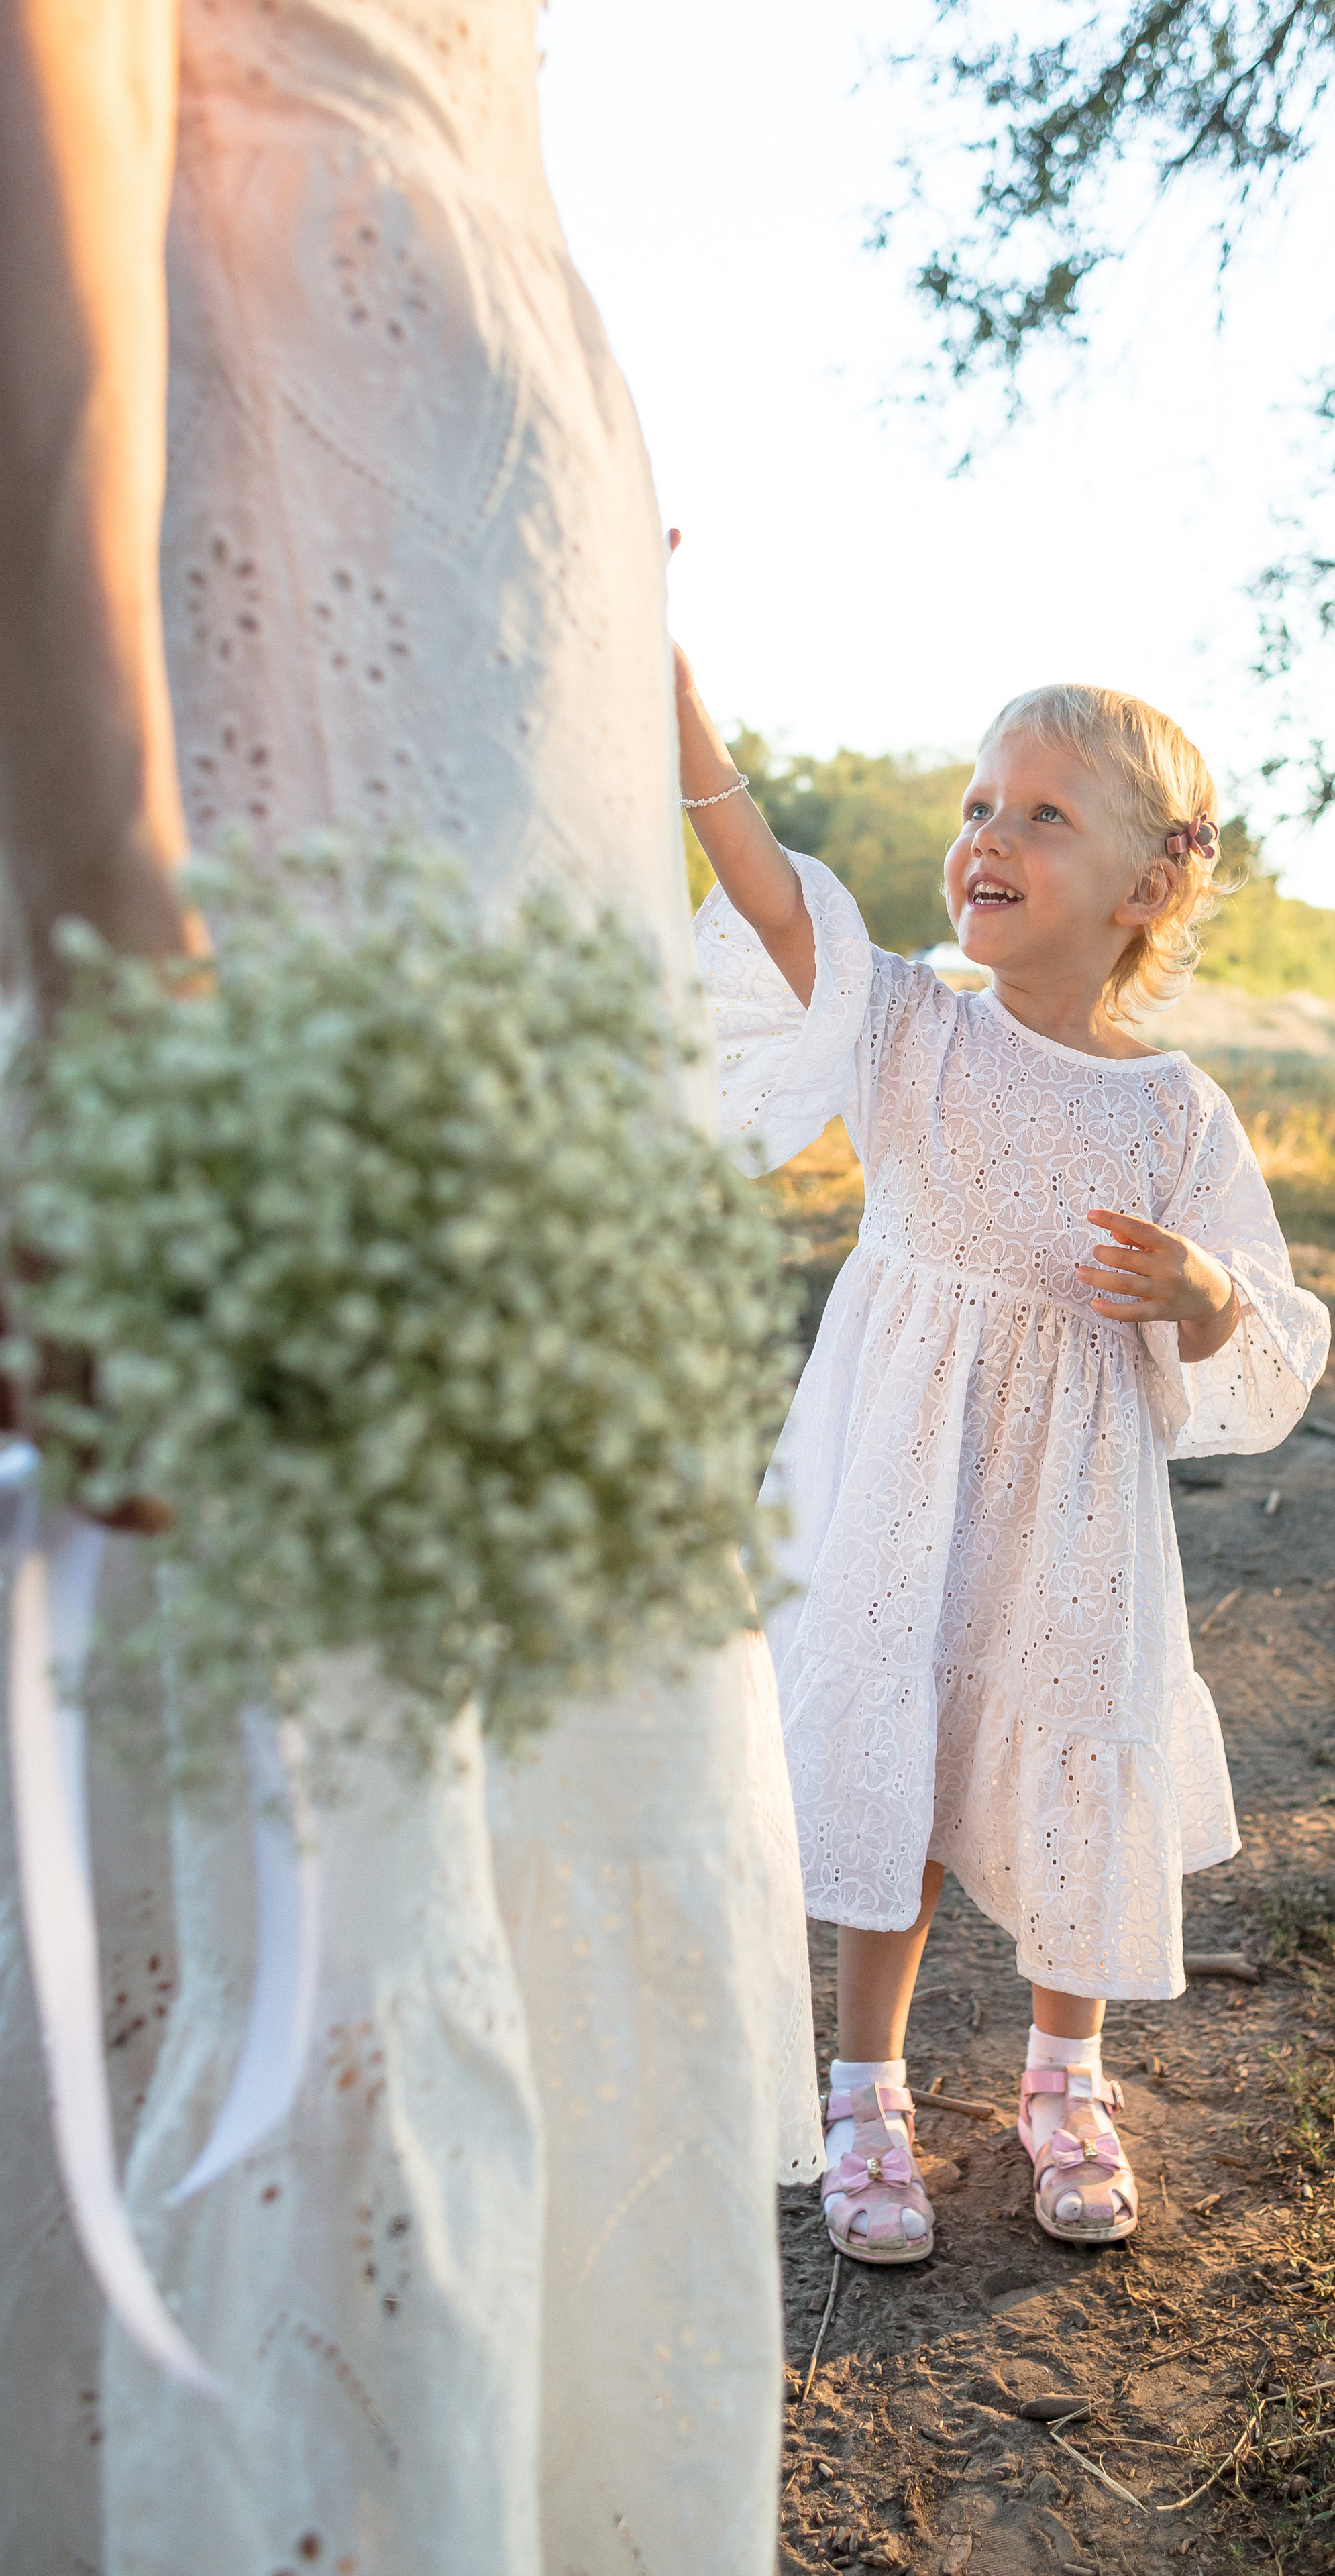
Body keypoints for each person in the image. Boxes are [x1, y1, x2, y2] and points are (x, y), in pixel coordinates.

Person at [0, 7, 816, 2571]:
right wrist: (114, 940)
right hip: (296, 617)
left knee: (498, 1706)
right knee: (313, 1751)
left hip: (499, 644)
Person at [678, 660, 1330, 2259]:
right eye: (978, 804)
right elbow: (771, 899)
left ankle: (1063, 2074)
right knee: (878, 1751)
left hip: (1072, 1514)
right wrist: (673, 690)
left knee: (1068, 1751)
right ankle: (864, 2089)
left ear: (1152, 876)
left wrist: (1198, 1292)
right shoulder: (905, 1024)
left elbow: (1258, 1341)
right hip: (893, 1480)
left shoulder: (1177, 1113)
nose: (987, 835)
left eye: (1042, 813)